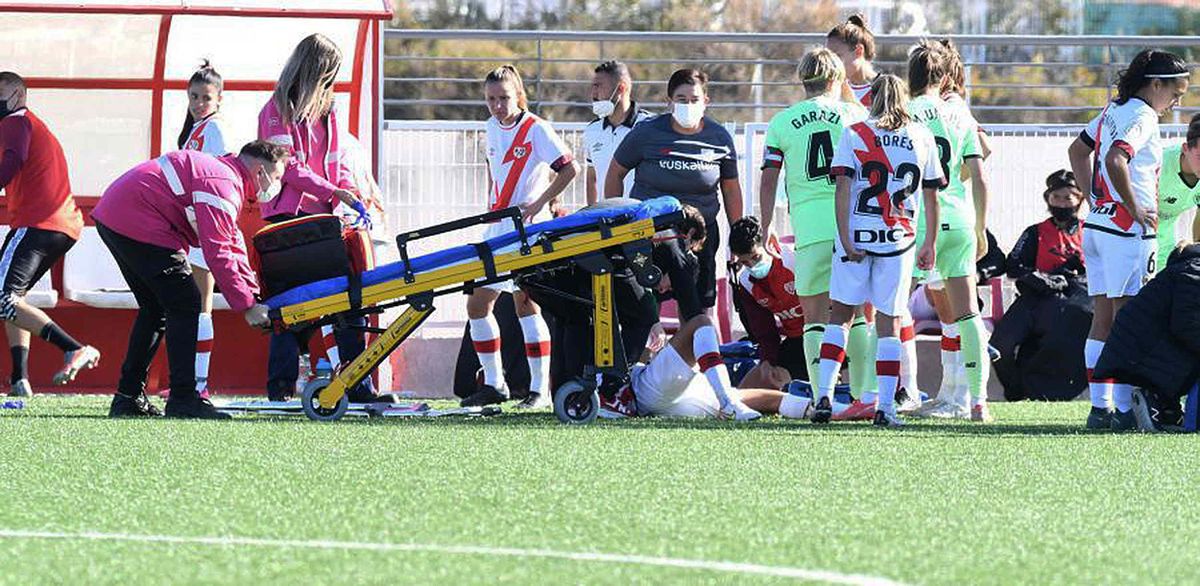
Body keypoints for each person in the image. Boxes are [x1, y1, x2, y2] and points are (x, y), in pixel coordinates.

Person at [92, 141, 281, 419]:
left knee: (156, 309)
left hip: (118, 215)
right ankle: (182, 398)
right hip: (137, 218)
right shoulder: (224, 183)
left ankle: (128, 397)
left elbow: (232, 243)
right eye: (276, 177)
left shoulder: (225, 175)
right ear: (260, 170)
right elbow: (218, 253)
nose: (276, 185)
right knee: (186, 304)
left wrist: (252, 295)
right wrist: (247, 306)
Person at [1067, 49, 1190, 431]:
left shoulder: (1112, 110)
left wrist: (1094, 198)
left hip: (1099, 225)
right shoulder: (1142, 115)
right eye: (1175, 93)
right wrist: (1135, 207)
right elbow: (1116, 159)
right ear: (1155, 84)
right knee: (1128, 318)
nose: (1176, 102)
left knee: (1102, 318)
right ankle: (1121, 409)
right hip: (1126, 232)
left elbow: (1078, 150)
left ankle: (1100, 408)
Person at [813, 74, 943, 427]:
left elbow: (842, 188)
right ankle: (886, 407)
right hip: (899, 239)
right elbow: (931, 194)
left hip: (856, 235)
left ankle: (823, 395)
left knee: (840, 316)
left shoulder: (854, 132)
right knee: (890, 321)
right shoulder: (922, 135)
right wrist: (929, 241)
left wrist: (845, 236)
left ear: (870, 98)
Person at [757, 47, 877, 420]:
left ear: (802, 78)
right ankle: (862, 396)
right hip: (853, 227)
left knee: (814, 317)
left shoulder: (783, 121)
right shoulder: (857, 114)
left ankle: (819, 397)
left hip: (809, 229)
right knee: (857, 314)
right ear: (836, 78)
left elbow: (768, 178)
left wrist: (767, 225)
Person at [257, 33, 376, 403]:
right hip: (287, 223)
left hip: (325, 224)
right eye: (326, 76)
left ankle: (357, 383)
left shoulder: (331, 111)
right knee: (288, 308)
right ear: (310, 71)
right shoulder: (275, 110)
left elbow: (337, 163)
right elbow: (287, 167)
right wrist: (333, 192)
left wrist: (348, 193)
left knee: (348, 302)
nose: (331, 84)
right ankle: (281, 389)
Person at [462, 64, 579, 409]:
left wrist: (540, 202)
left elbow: (569, 167)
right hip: (497, 229)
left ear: (519, 96)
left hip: (528, 230)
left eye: (504, 98)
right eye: (491, 99)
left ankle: (539, 391)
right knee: (477, 304)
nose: (498, 105)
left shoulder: (537, 129)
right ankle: (494, 384)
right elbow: (493, 170)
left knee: (526, 304)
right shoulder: (489, 127)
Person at [906, 41, 994, 422]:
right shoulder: (958, 114)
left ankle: (881, 397)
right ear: (944, 76)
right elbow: (981, 174)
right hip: (957, 217)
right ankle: (974, 400)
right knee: (967, 314)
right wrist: (980, 228)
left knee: (885, 310)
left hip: (913, 222)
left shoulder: (903, 112)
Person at [607, 68, 743, 312]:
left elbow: (731, 188)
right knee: (645, 311)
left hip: (700, 235)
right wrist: (618, 219)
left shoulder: (719, 137)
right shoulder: (647, 132)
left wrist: (738, 234)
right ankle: (650, 351)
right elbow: (615, 172)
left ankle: (696, 349)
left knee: (697, 310)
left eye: (694, 100)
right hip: (651, 234)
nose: (688, 105)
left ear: (706, 102)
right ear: (668, 101)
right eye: (681, 100)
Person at [0, 71, 99, 397]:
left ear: (17, 95)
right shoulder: (29, 125)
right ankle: (20, 379)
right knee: (13, 298)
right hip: (60, 225)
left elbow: (14, 159)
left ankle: (73, 348)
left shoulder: (16, 120)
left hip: (38, 222)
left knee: (3, 297)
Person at [992, 170, 1091, 402]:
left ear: (1080, 200)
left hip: (1078, 300)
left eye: (1068, 198)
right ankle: (1015, 392)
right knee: (1000, 347)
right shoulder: (1034, 232)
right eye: (1056, 197)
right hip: (1036, 297)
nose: (1062, 203)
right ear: (1047, 199)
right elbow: (1013, 265)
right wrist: (1038, 277)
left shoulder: (1092, 231)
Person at [1094, 241, 1200, 432]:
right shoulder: (1195, 271)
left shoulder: (1190, 267)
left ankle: (1166, 409)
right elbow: (1187, 325)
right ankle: (1157, 401)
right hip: (1142, 349)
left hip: (1140, 345)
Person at [598, 314, 771, 421]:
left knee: (755, 398)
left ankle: (796, 398)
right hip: (643, 391)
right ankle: (728, 402)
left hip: (662, 400)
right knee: (700, 322)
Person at [177, 60, 230, 400]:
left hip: (203, 227)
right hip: (191, 227)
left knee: (201, 303)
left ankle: (198, 383)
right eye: (194, 96)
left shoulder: (214, 130)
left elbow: (217, 176)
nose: (199, 103)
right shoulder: (194, 131)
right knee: (193, 303)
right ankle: (193, 381)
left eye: (206, 98)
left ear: (219, 99)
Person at [729, 217, 806, 381]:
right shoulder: (746, 283)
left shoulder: (795, 260)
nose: (752, 266)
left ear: (768, 243)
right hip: (796, 340)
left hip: (825, 333)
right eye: (745, 262)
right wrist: (767, 360)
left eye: (756, 257)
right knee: (763, 378)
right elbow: (765, 331)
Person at [583, 61, 652, 205]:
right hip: (607, 219)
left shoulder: (649, 126)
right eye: (593, 86)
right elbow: (592, 177)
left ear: (621, 88)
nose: (594, 94)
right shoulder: (592, 130)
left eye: (599, 86)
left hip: (641, 217)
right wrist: (592, 214)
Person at [1154, 113, 1200, 269]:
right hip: (1135, 240)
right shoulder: (1158, 164)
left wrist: (1194, 247)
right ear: (1185, 148)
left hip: (1165, 245)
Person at [826, 14, 879, 108]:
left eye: (838, 56)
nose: (831, 64)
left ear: (859, 51)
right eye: (830, 57)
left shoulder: (885, 89)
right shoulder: (833, 90)